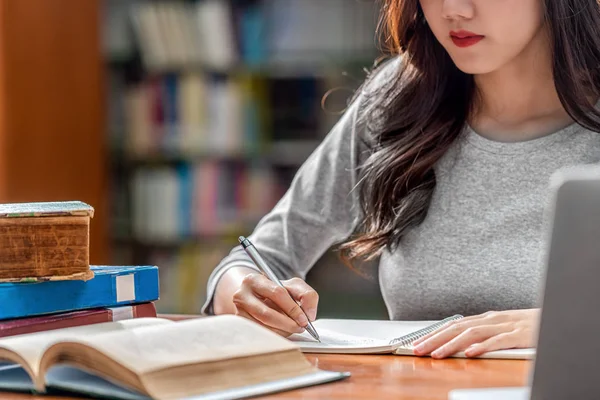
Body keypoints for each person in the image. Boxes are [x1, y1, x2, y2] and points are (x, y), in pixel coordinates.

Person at [201, 0, 600, 359]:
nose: (453, 9)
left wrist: (561, 324)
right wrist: (247, 293)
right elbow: (255, 258)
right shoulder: (401, 98)